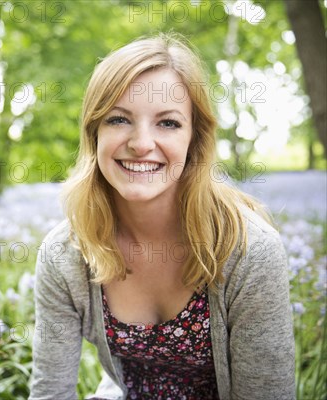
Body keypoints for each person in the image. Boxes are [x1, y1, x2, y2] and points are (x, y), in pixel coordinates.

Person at [29, 33, 295, 400]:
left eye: (168, 123)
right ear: (94, 134)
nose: (140, 143)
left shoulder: (251, 252)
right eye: (119, 119)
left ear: (194, 139)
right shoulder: (65, 254)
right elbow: (50, 392)